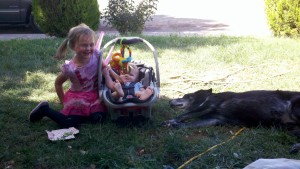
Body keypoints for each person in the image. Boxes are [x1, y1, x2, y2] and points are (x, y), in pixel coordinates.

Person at [29, 23, 106, 128]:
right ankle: (44, 109)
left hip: (93, 96)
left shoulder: (96, 54)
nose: (88, 48)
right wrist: (63, 102)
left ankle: (88, 113)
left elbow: (106, 68)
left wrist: (118, 78)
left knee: (98, 119)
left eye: (91, 44)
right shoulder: (70, 68)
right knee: (69, 124)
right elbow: (58, 83)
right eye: (84, 45)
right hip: (78, 99)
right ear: (73, 46)